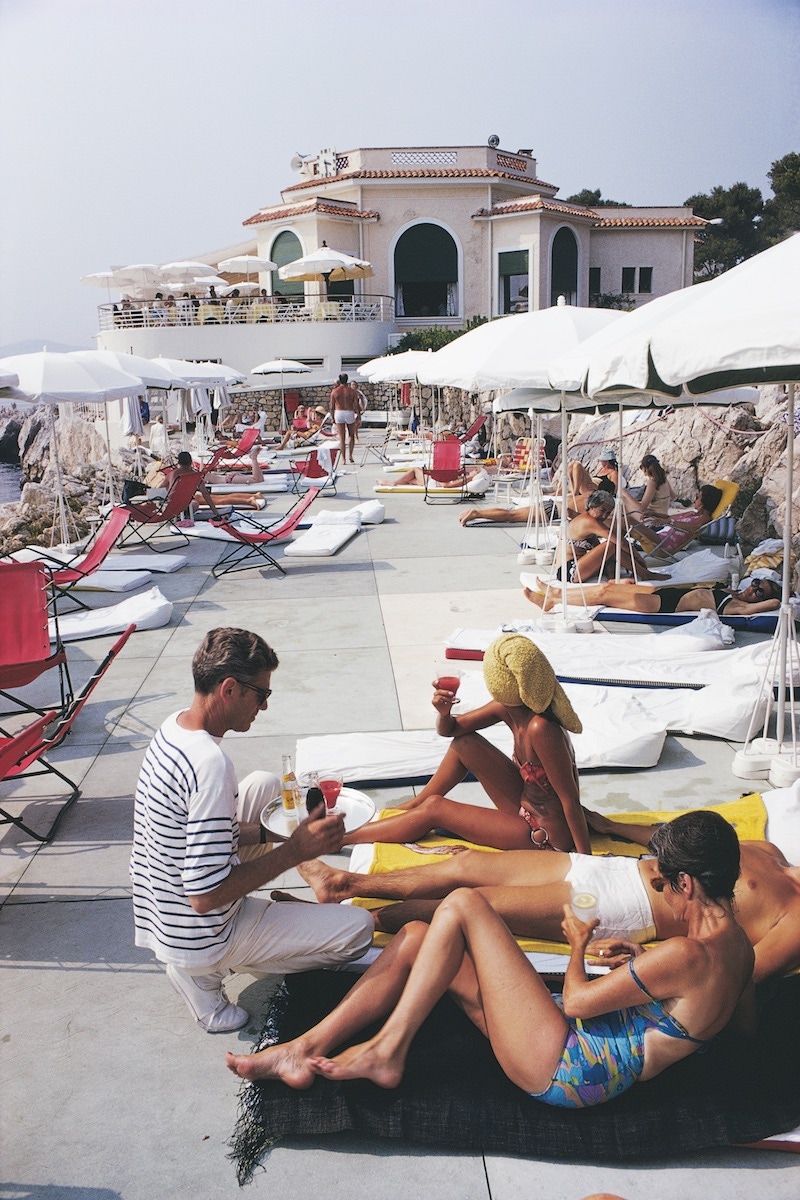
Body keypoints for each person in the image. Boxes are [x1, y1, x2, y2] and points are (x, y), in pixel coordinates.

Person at [227, 811, 756, 1103]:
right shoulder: (737, 948)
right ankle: (303, 1048)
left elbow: (575, 1002)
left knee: (464, 905)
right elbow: (741, 1024)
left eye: (663, 882)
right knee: (415, 936)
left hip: (568, 1068)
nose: (660, 889)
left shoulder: (686, 954)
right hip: (578, 1048)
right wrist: (648, 977)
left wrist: (577, 944)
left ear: (687, 882)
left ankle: (388, 1049)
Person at [130, 627, 374, 1033]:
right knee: (358, 930)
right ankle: (204, 976)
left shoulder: (174, 728)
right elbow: (204, 896)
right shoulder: (209, 764)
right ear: (229, 689)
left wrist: (271, 835)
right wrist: (293, 852)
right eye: (261, 694)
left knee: (262, 783)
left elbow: (189, 836)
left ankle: (203, 956)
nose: (263, 707)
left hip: (162, 912)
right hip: (199, 933)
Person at [295, 809, 800, 985]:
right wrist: (606, 826)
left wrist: (654, 959)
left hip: (624, 911)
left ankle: (330, 926)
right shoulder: (768, 847)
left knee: (472, 904)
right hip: (612, 870)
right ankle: (346, 886)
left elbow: (741, 971)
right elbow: (677, 840)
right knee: (466, 866)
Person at [341, 633, 591, 855]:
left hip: (544, 834)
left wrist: (586, 861)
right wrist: (444, 712)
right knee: (466, 744)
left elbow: (569, 800)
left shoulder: (542, 729)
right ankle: (414, 805)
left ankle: (341, 839)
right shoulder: (507, 709)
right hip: (525, 806)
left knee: (436, 808)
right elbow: (451, 731)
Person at [524, 569, 783, 617]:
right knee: (617, 585)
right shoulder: (735, 590)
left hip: (662, 605)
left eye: (759, 592)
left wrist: (782, 598)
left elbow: (771, 603)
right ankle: (557, 590)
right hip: (664, 592)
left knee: (604, 593)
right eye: (756, 583)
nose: (754, 589)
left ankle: (554, 602)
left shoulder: (737, 606)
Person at [553, 490, 666, 583]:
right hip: (568, 571)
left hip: (578, 566)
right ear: (592, 506)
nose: (604, 515)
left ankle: (613, 579)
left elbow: (600, 550)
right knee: (612, 545)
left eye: (608, 513)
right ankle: (645, 574)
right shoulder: (588, 521)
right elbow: (620, 542)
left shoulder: (589, 520)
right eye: (602, 510)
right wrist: (637, 557)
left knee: (610, 550)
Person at [630, 484, 722, 555]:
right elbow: (669, 517)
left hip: (663, 543)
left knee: (628, 521)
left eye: (697, 497)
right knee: (626, 525)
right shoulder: (693, 513)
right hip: (661, 537)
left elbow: (694, 527)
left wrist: (670, 522)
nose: (694, 500)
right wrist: (654, 514)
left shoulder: (704, 518)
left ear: (705, 501)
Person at [624, 454, 675, 520]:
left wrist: (625, 493)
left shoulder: (653, 482)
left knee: (624, 500)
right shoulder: (664, 479)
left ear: (645, 468)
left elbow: (642, 508)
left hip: (653, 518)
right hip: (663, 515)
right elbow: (673, 496)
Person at [329, 373, 359, 465]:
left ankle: (343, 459)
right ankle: (350, 455)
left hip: (339, 412)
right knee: (351, 435)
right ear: (347, 380)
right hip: (349, 411)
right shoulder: (352, 391)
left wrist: (332, 417)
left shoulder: (334, 391)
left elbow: (331, 406)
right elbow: (356, 405)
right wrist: (358, 416)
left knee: (341, 437)